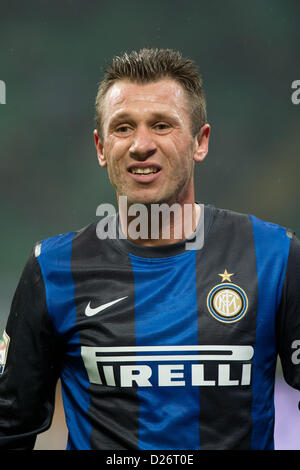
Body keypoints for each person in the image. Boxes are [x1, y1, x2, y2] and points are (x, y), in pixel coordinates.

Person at [0, 48, 299, 451]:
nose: (141, 145)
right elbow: (9, 427)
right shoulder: (53, 269)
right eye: (123, 128)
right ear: (101, 148)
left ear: (200, 141)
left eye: (161, 125)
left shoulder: (275, 256)